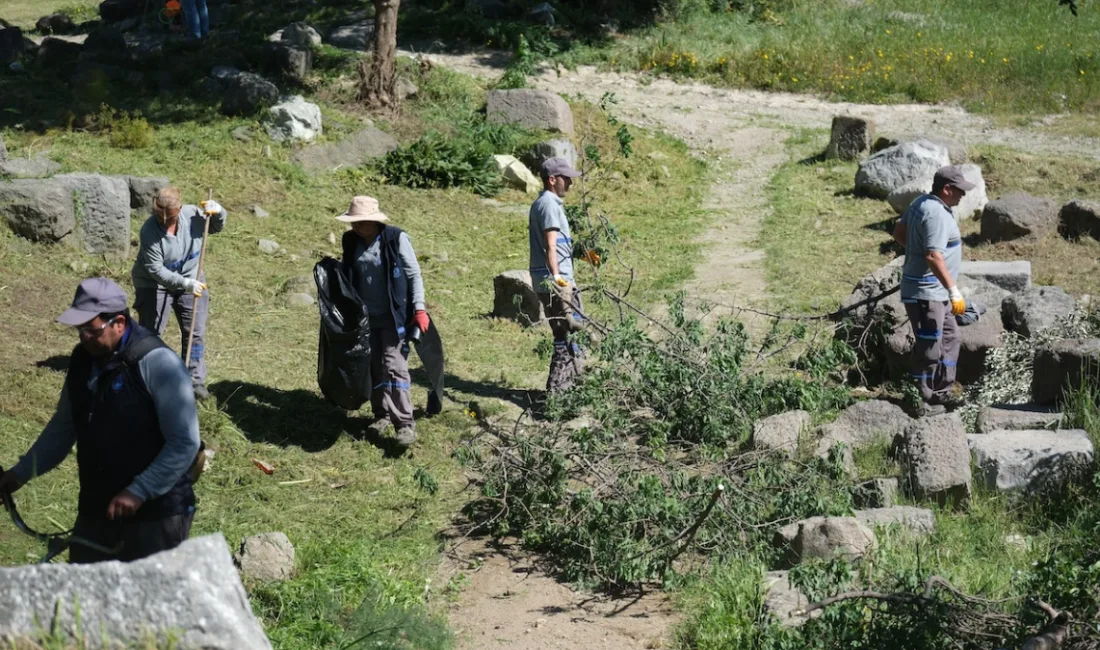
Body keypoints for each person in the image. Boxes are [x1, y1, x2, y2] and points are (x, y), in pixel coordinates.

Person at [0, 278, 201, 563]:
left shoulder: (158, 364)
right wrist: (20, 473)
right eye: (79, 330)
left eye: (91, 330)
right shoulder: (83, 360)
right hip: (98, 507)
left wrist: (139, 491)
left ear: (119, 322)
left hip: (156, 514)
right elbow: (63, 428)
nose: (83, 338)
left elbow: (185, 442)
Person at [338, 196, 430, 451]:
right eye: (353, 222)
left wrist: (419, 309)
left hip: (393, 315)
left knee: (394, 365)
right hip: (365, 318)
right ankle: (382, 415)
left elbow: (414, 274)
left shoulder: (395, 239)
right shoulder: (351, 241)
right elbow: (347, 274)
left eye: (360, 222)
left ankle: (404, 423)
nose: (355, 227)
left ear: (374, 221)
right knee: (373, 366)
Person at [892, 165, 975, 414]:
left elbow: (898, 233)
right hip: (927, 294)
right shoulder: (937, 214)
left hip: (935, 293)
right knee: (930, 347)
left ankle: (941, 391)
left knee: (950, 338)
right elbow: (933, 255)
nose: (963, 195)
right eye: (960, 190)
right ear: (947, 189)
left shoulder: (921, 202)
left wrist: (914, 253)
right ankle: (920, 400)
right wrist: (953, 290)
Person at [132, 187, 226, 401]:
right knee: (150, 333)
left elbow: (217, 227)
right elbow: (156, 270)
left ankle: (194, 381)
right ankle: (145, 378)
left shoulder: (194, 215)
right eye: (160, 216)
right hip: (153, 283)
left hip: (193, 277)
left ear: (180, 208)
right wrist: (185, 283)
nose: (164, 220)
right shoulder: (149, 231)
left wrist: (219, 212)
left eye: (170, 216)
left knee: (195, 332)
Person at [529, 157, 585, 394]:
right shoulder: (550, 205)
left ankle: (568, 389)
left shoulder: (541, 203)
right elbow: (551, 246)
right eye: (566, 179)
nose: (570, 183)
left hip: (546, 277)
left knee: (565, 334)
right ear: (552, 180)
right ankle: (560, 393)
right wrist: (559, 280)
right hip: (557, 280)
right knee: (568, 334)